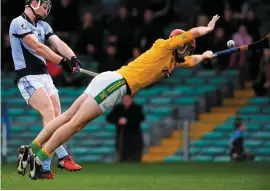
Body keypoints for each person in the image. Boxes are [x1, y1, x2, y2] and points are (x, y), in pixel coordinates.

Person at [18, 14, 220, 180]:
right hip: (117, 85)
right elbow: (192, 33)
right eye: (186, 47)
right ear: (178, 43)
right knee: (75, 123)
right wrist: (208, 29)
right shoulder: (165, 45)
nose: (187, 51)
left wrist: (204, 56)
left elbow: (191, 61)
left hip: (111, 79)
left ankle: (31, 150)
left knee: (67, 117)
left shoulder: (172, 62)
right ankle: (41, 158)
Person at [9, 0, 82, 179]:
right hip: (27, 77)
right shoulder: (18, 23)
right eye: (44, 6)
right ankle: (55, 159)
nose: (46, 10)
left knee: (59, 118)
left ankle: (32, 157)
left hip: (44, 76)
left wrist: (72, 58)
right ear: (33, 3)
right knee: (49, 113)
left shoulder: (43, 25)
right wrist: (61, 61)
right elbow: (37, 47)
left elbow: (57, 43)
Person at [107, 95, 145, 162]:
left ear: (131, 99)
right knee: (122, 153)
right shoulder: (118, 108)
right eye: (124, 99)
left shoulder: (137, 108)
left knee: (135, 153)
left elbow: (140, 118)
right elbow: (109, 117)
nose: (126, 100)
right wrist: (118, 120)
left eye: (127, 98)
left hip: (134, 134)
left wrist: (127, 121)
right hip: (122, 134)